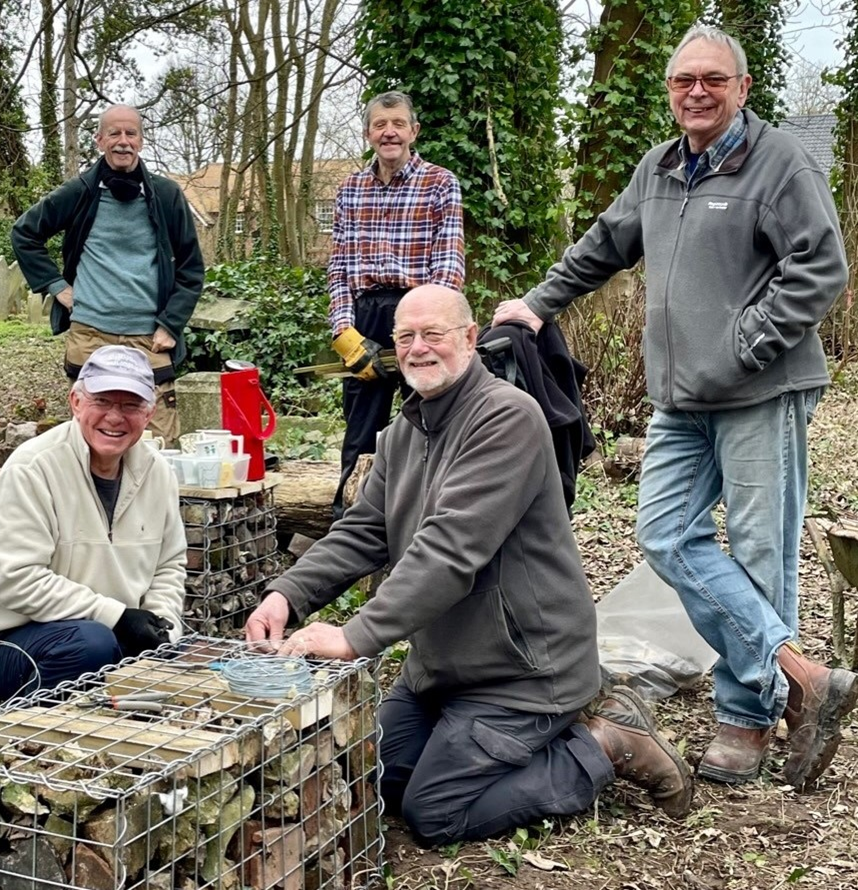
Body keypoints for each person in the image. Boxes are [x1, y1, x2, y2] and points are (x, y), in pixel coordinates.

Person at [493, 24, 856, 788]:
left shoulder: (779, 163)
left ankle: (747, 720)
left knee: (760, 552)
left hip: (763, 389)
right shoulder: (659, 167)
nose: (697, 91)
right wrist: (535, 303)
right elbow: (603, 243)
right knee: (663, 535)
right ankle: (800, 673)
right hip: (681, 400)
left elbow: (821, 266)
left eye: (713, 80)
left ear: (743, 88)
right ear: (669, 90)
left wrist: (743, 345)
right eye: (684, 80)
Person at [245, 285, 692, 846]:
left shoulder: (508, 419)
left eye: (433, 334)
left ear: (471, 339)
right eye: (405, 337)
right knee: (377, 785)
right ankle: (485, 744)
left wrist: (355, 636)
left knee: (436, 814)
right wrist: (286, 595)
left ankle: (602, 744)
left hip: (525, 671)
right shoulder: (405, 431)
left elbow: (450, 550)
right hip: (442, 670)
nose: (417, 349)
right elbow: (364, 530)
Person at [0, 345, 186, 699]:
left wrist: (160, 624)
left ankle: (110, 712)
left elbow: (169, 565)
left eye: (130, 405)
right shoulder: (32, 468)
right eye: (102, 402)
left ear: (149, 413)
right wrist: (114, 615)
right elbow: (17, 581)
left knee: (170, 657)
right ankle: (46, 732)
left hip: (115, 630)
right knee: (90, 645)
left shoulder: (159, 472)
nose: (115, 417)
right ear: (76, 402)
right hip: (17, 639)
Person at [11, 105, 204, 445]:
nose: (123, 141)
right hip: (90, 334)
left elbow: (191, 267)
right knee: (90, 440)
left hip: (149, 338)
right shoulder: (81, 192)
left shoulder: (166, 195)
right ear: (99, 140)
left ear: (141, 141)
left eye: (131, 133)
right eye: (114, 133)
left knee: (157, 443)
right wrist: (57, 286)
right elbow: (25, 233)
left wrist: (171, 324)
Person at [327, 90, 465, 521]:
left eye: (398, 124)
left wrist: (428, 328)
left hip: (418, 311)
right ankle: (348, 521)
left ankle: (428, 518)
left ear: (413, 131)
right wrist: (343, 331)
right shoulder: (351, 188)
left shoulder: (440, 184)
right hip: (366, 314)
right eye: (380, 125)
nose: (389, 133)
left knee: (427, 419)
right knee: (360, 429)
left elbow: (449, 265)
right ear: (368, 133)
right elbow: (339, 267)